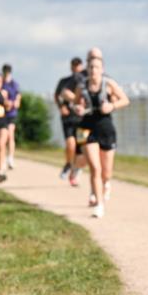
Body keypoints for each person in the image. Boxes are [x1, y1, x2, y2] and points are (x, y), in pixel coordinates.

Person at [68, 56, 128, 218]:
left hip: (106, 128)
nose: (94, 70)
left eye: (97, 67)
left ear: (102, 69)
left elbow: (125, 100)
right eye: (91, 67)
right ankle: (99, 204)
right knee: (95, 167)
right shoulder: (82, 86)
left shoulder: (108, 84)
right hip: (87, 129)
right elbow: (74, 103)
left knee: (106, 172)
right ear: (87, 69)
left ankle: (106, 184)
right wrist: (78, 108)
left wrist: (112, 106)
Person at [54, 57, 86, 185]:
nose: (76, 68)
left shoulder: (85, 81)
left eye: (78, 65)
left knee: (81, 148)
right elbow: (57, 95)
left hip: (82, 119)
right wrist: (61, 107)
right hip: (68, 118)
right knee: (70, 143)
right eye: (74, 65)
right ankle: (68, 163)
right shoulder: (64, 81)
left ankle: (74, 172)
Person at [1, 64, 22, 169]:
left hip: (11, 113)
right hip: (0, 113)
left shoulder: (14, 84)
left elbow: (18, 100)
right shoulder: (0, 83)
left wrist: (12, 103)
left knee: (10, 135)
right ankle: (3, 157)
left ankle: (10, 158)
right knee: (3, 137)